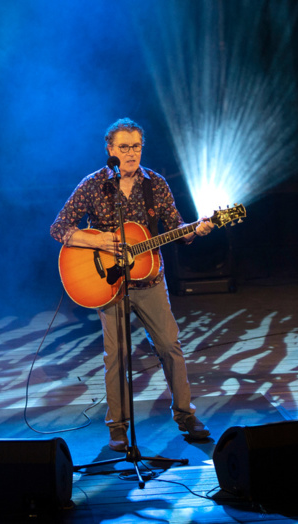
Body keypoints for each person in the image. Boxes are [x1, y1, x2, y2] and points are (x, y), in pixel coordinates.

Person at [51, 118, 214, 451]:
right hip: (109, 285)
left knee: (170, 346)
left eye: (136, 147)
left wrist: (196, 230)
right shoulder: (94, 184)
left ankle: (186, 415)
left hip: (150, 279)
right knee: (117, 355)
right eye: (124, 147)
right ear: (110, 150)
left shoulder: (155, 184)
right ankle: (118, 427)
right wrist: (97, 242)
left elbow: (176, 229)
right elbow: (59, 228)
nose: (131, 153)